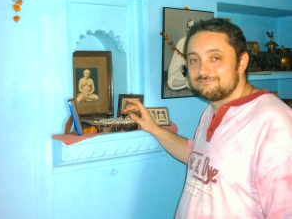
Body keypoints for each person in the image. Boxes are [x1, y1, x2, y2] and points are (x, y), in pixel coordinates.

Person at [123, 18, 292, 218]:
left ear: (242, 62)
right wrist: (154, 128)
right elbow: (199, 157)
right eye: (194, 60)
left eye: (215, 58)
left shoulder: (275, 124)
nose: (202, 71)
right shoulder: (213, 109)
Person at [167, 19, 195, 90]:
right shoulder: (182, 42)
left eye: (193, 27)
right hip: (183, 71)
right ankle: (188, 82)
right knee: (171, 81)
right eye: (190, 27)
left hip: (196, 71)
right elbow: (177, 62)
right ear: (187, 29)